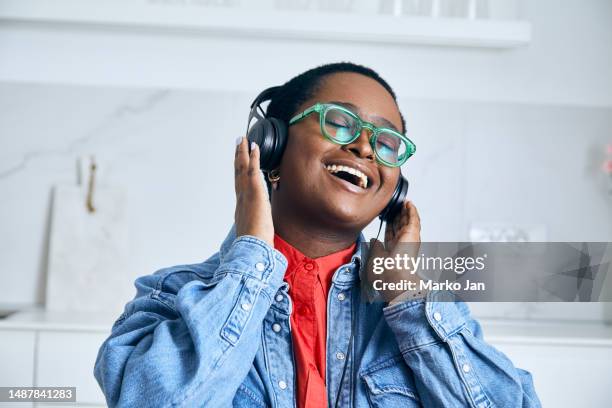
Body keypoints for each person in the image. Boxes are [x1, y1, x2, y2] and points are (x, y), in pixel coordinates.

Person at [94, 62, 541, 407]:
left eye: (386, 143)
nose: (365, 147)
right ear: (271, 144)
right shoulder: (170, 296)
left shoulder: (415, 313)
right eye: (341, 122)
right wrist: (252, 257)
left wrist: (406, 295)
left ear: (394, 188)